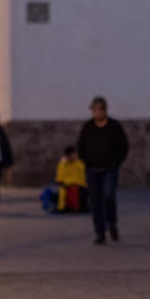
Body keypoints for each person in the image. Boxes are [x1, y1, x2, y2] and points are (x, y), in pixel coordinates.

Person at [76, 96, 129, 244]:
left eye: (100, 110)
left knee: (108, 195)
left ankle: (111, 223)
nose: (97, 113)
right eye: (95, 110)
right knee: (95, 202)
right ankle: (100, 233)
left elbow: (123, 146)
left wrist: (116, 162)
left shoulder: (114, 127)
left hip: (109, 169)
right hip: (92, 169)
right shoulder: (88, 127)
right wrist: (85, 160)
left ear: (104, 110)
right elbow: (81, 145)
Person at [54, 146, 88, 213]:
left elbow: (80, 179)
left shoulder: (80, 164)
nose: (71, 157)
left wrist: (67, 182)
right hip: (66, 185)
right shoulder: (63, 164)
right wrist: (63, 164)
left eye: (73, 155)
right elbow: (59, 177)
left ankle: (74, 207)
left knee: (72, 188)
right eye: (69, 155)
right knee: (61, 189)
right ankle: (65, 207)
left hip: (79, 185)